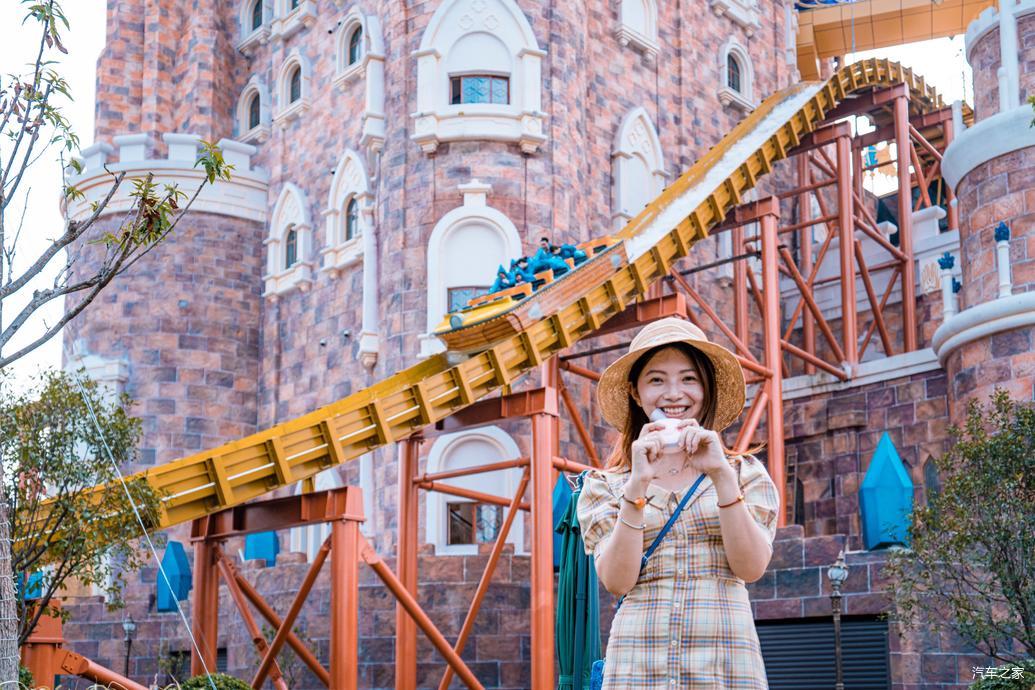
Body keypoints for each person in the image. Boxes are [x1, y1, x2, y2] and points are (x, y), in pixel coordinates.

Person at [577, 316, 779, 689]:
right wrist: (637, 484)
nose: (674, 393)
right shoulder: (605, 485)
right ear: (636, 392)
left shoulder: (743, 473)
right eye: (656, 380)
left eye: (689, 379)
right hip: (637, 666)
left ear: (706, 388)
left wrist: (721, 475)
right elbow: (617, 581)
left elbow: (751, 568)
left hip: (725, 664)